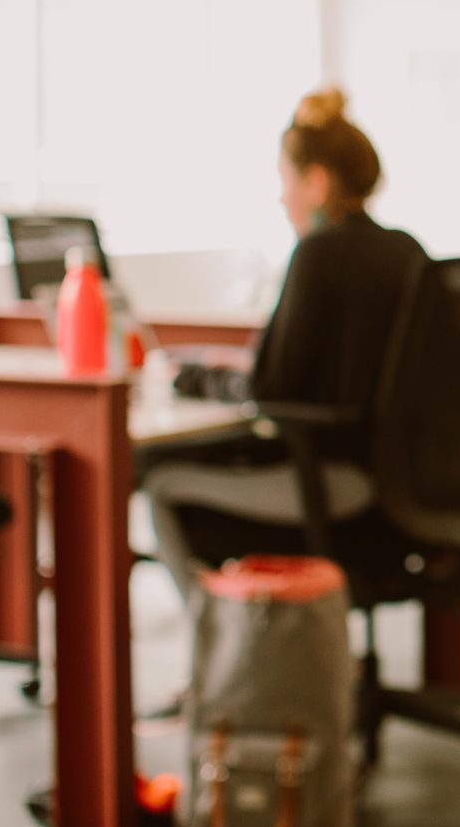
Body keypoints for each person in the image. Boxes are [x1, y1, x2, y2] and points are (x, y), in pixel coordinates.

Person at [143, 87, 428, 595]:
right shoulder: (406, 251)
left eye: (284, 180)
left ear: (316, 183)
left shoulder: (317, 253)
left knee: (161, 482)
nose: (281, 197)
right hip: (400, 484)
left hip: (331, 483)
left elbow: (270, 391)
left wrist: (198, 376)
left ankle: (221, 667)